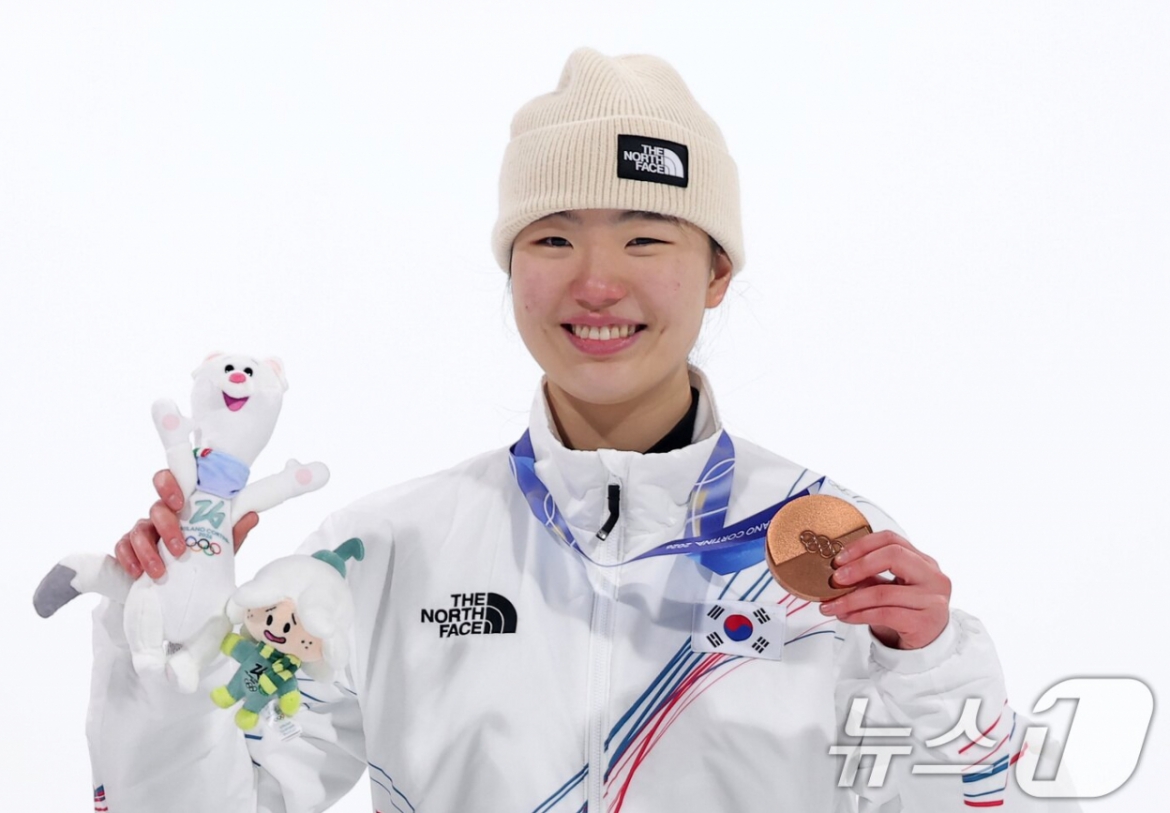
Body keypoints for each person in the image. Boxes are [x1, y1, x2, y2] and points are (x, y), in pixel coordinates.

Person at [87, 47, 1064, 813]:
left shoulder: (832, 555)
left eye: (646, 235)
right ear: (511, 270)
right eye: (552, 237)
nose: (597, 281)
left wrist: (935, 670)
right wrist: (166, 673)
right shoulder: (380, 558)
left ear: (718, 271)